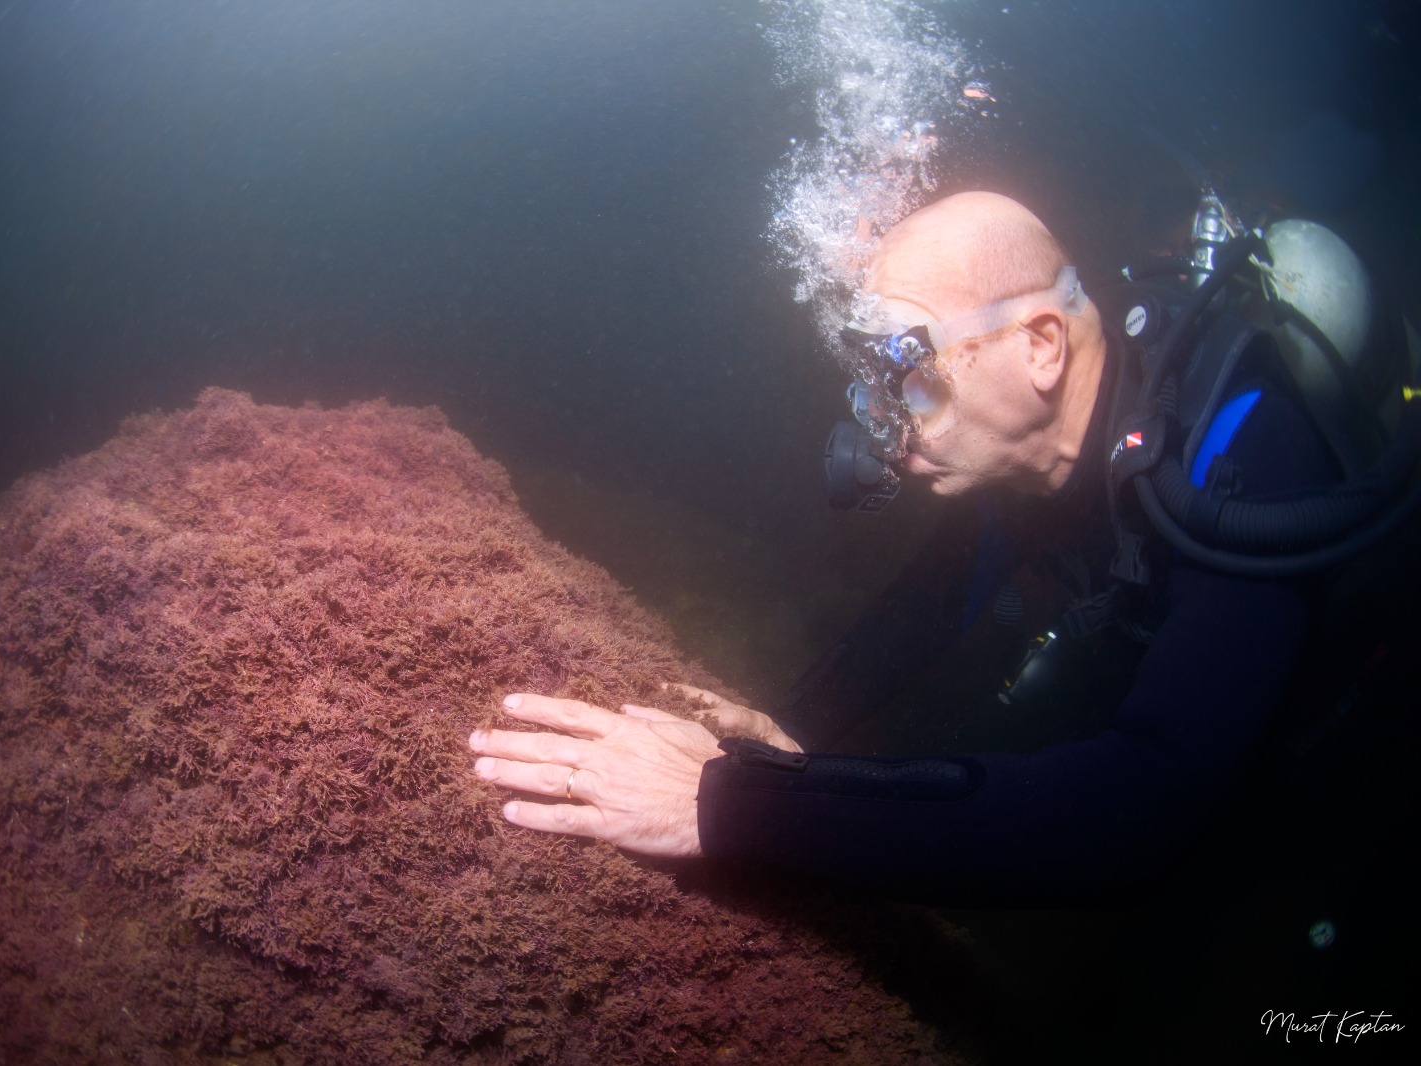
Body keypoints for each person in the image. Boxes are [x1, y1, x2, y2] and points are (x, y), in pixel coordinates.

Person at [466, 190, 1340, 904]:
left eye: (912, 374)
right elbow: (931, 602)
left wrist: (725, 806)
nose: (892, 433)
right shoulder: (1024, 464)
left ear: (1040, 346)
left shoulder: (1251, 453)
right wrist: (793, 733)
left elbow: (1141, 805)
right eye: (877, 385)